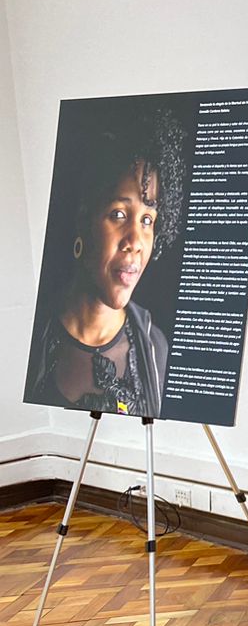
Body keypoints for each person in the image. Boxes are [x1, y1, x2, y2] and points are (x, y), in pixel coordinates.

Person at [25, 110, 185, 418]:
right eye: (119, 215)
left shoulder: (154, 348)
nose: (135, 241)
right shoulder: (35, 331)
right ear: (86, 220)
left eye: (148, 220)